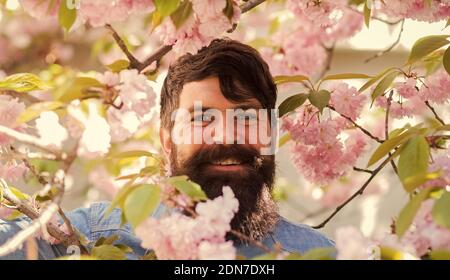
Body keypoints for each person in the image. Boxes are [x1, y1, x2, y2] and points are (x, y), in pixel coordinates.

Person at [0, 39, 334, 260]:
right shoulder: (90, 237)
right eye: (202, 118)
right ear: (167, 140)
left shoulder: (314, 253)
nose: (225, 136)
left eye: (245, 117)